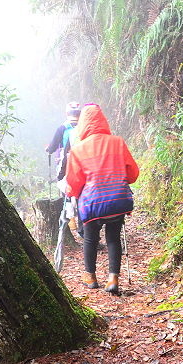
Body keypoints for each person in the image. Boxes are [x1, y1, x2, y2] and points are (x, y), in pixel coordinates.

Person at [65, 103, 139, 295]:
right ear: (103, 121)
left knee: (90, 239)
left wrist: (71, 192)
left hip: (92, 204)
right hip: (118, 200)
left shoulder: (78, 149)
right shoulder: (118, 142)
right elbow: (132, 174)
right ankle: (113, 278)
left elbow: (75, 182)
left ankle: (90, 276)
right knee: (113, 238)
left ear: (82, 124)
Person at [45, 101, 83, 237]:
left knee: (65, 190)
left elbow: (53, 146)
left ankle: (70, 220)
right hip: (81, 164)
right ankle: (82, 226)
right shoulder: (83, 126)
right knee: (80, 192)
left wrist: (48, 149)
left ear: (67, 113)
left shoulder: (62, 127)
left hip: (65, 164)